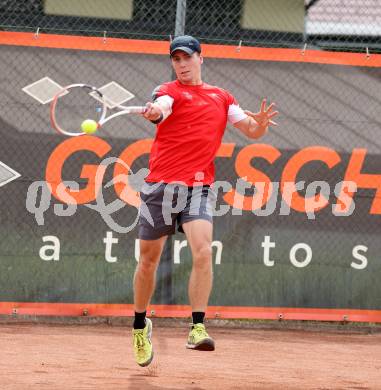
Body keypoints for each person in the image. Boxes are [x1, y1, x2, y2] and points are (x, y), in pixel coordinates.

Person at [132, 35, 278, 367]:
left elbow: (251, 130)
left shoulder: (222, 98)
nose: (182, 65)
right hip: (160, 188)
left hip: (198, 188)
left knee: (203, 250)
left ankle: (197, 327)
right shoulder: (168, 91)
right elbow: (160, 109)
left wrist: (262, 126)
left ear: (201, 58)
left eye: (187, 58)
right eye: (176, 59)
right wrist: (155, 111)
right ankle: (140, 325)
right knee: (148, 263)